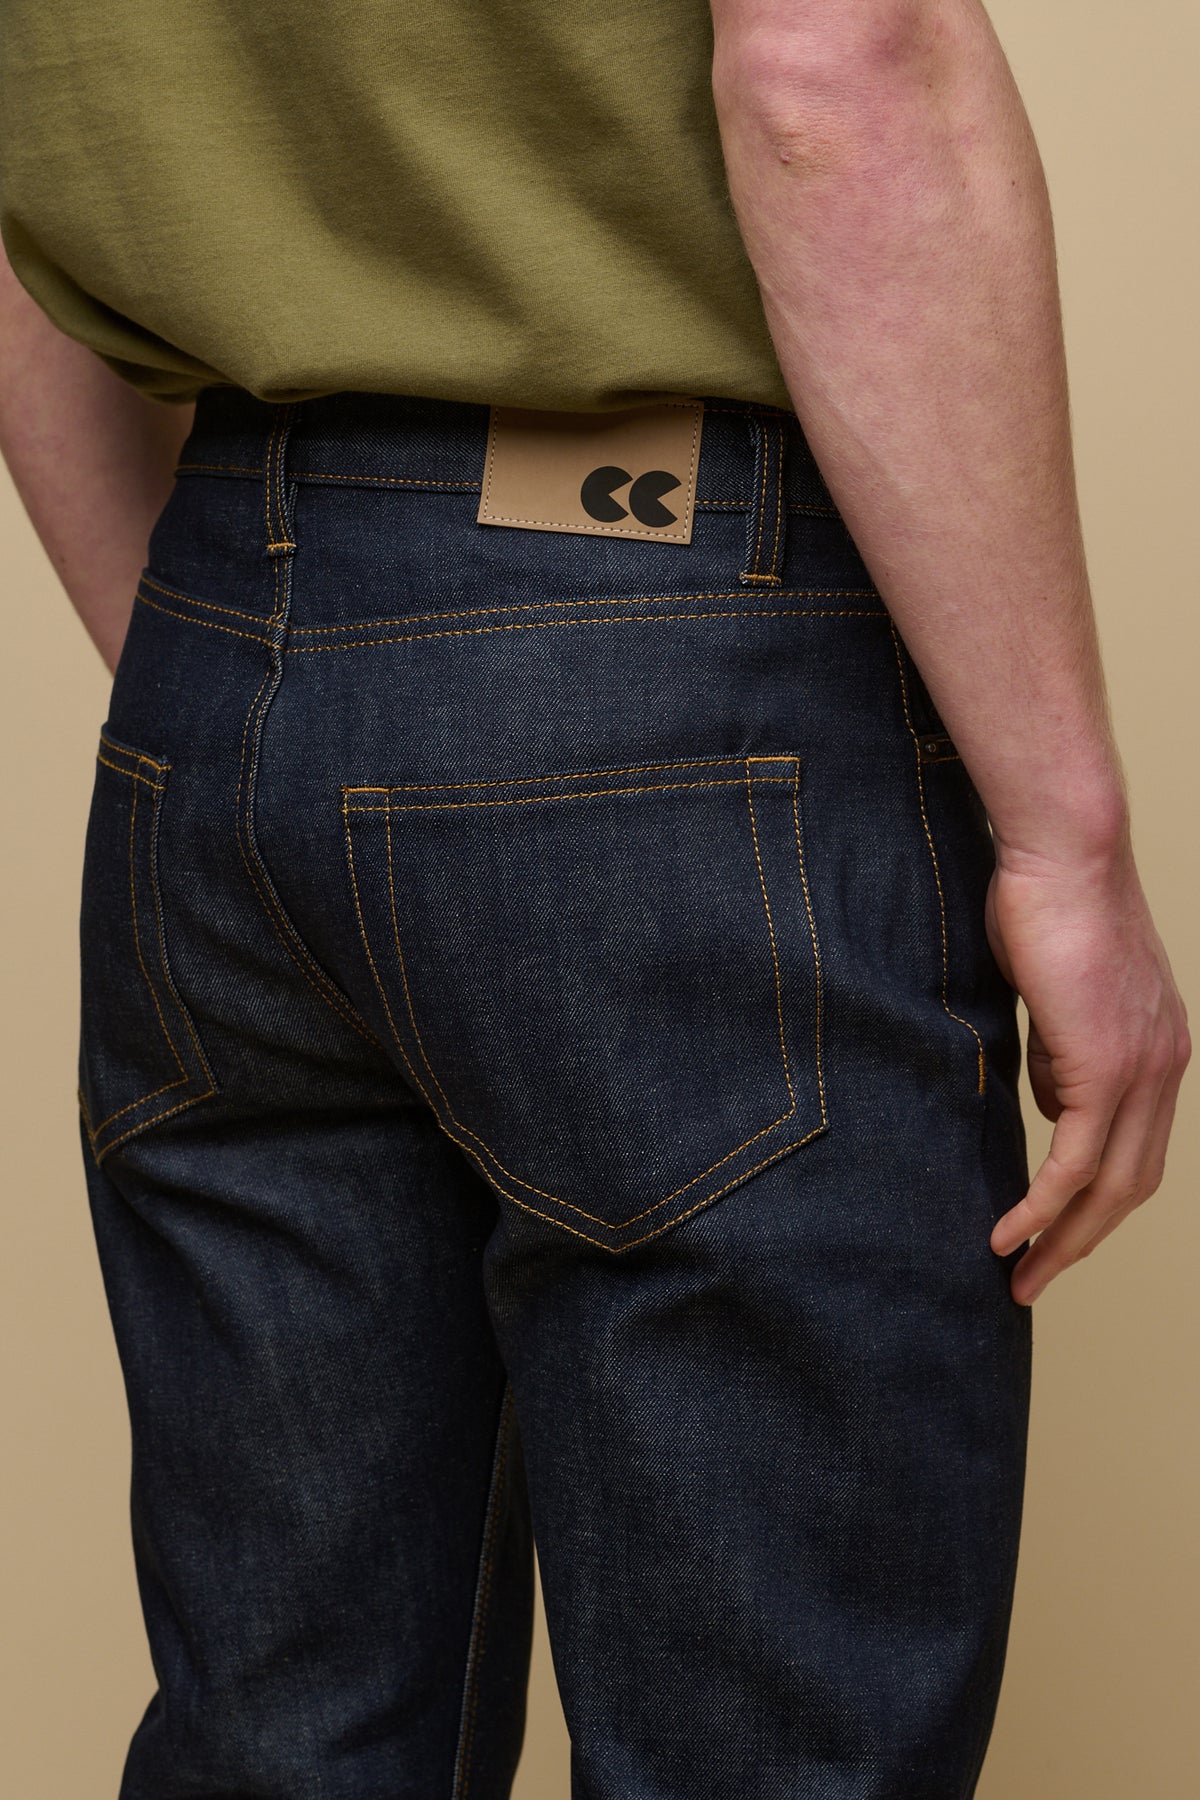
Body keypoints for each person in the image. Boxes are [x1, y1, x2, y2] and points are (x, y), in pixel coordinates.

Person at [0, 2, 1188, 1795]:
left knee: (284, 1744)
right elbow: (835, 55)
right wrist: (1066, 847)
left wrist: (273, 686)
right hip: (673, 658)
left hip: (226, 655)